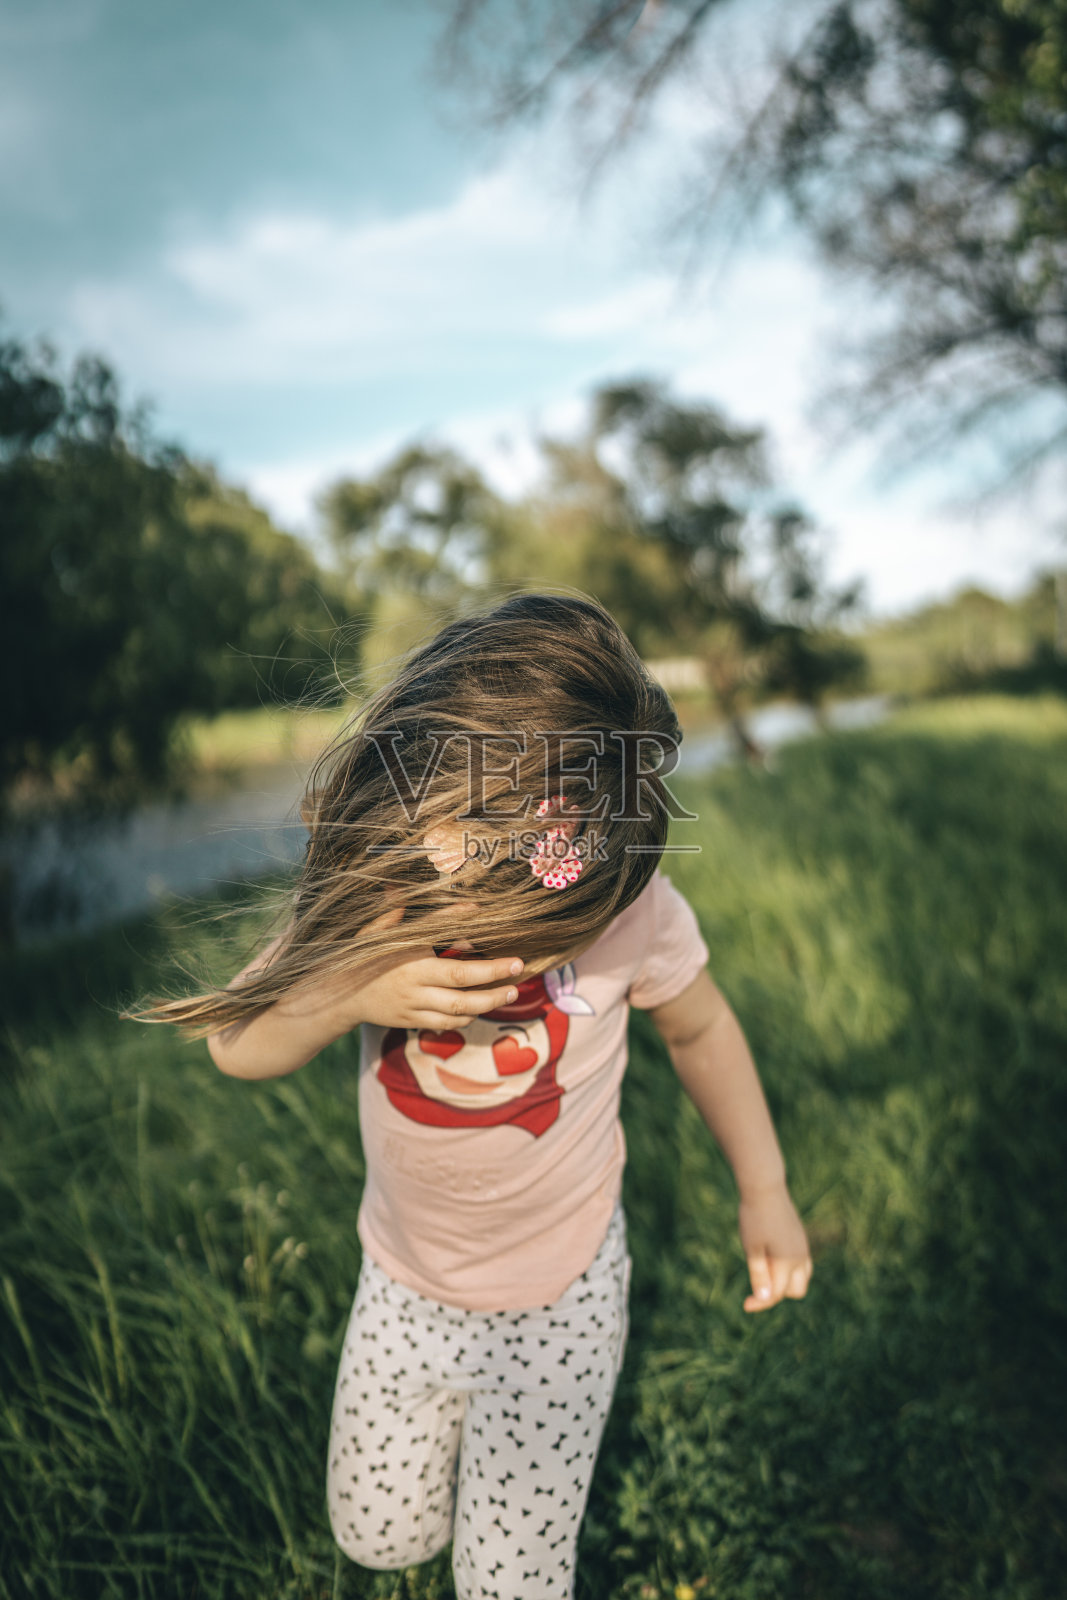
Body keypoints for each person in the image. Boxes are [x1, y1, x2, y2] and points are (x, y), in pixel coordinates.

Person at [137, 592, 812, 1600]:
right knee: (376, 1534)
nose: (515, 962)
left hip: (561, 1298)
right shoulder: (380, 889)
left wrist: (763, 1184)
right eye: (497, 932)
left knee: (510, 1582)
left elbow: (702, 1026)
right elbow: (236, 1046)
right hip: (402, 1282)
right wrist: (352, 988)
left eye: (549, 944)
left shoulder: (630, 908)